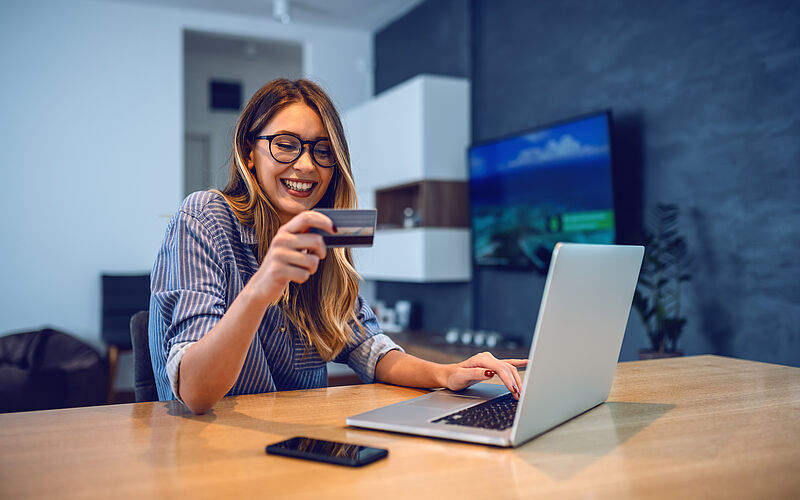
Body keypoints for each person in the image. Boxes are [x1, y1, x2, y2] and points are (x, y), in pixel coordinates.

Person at [149, 78, 526, 414]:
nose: (307, 165)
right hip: (212, 452)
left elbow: (370, 350)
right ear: (250, 152)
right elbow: (197, 393)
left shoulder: (324, 234)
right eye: (285, 145)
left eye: (323, 151)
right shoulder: (204, 217)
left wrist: (447, 373)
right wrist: (261, 289)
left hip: (304, 442)